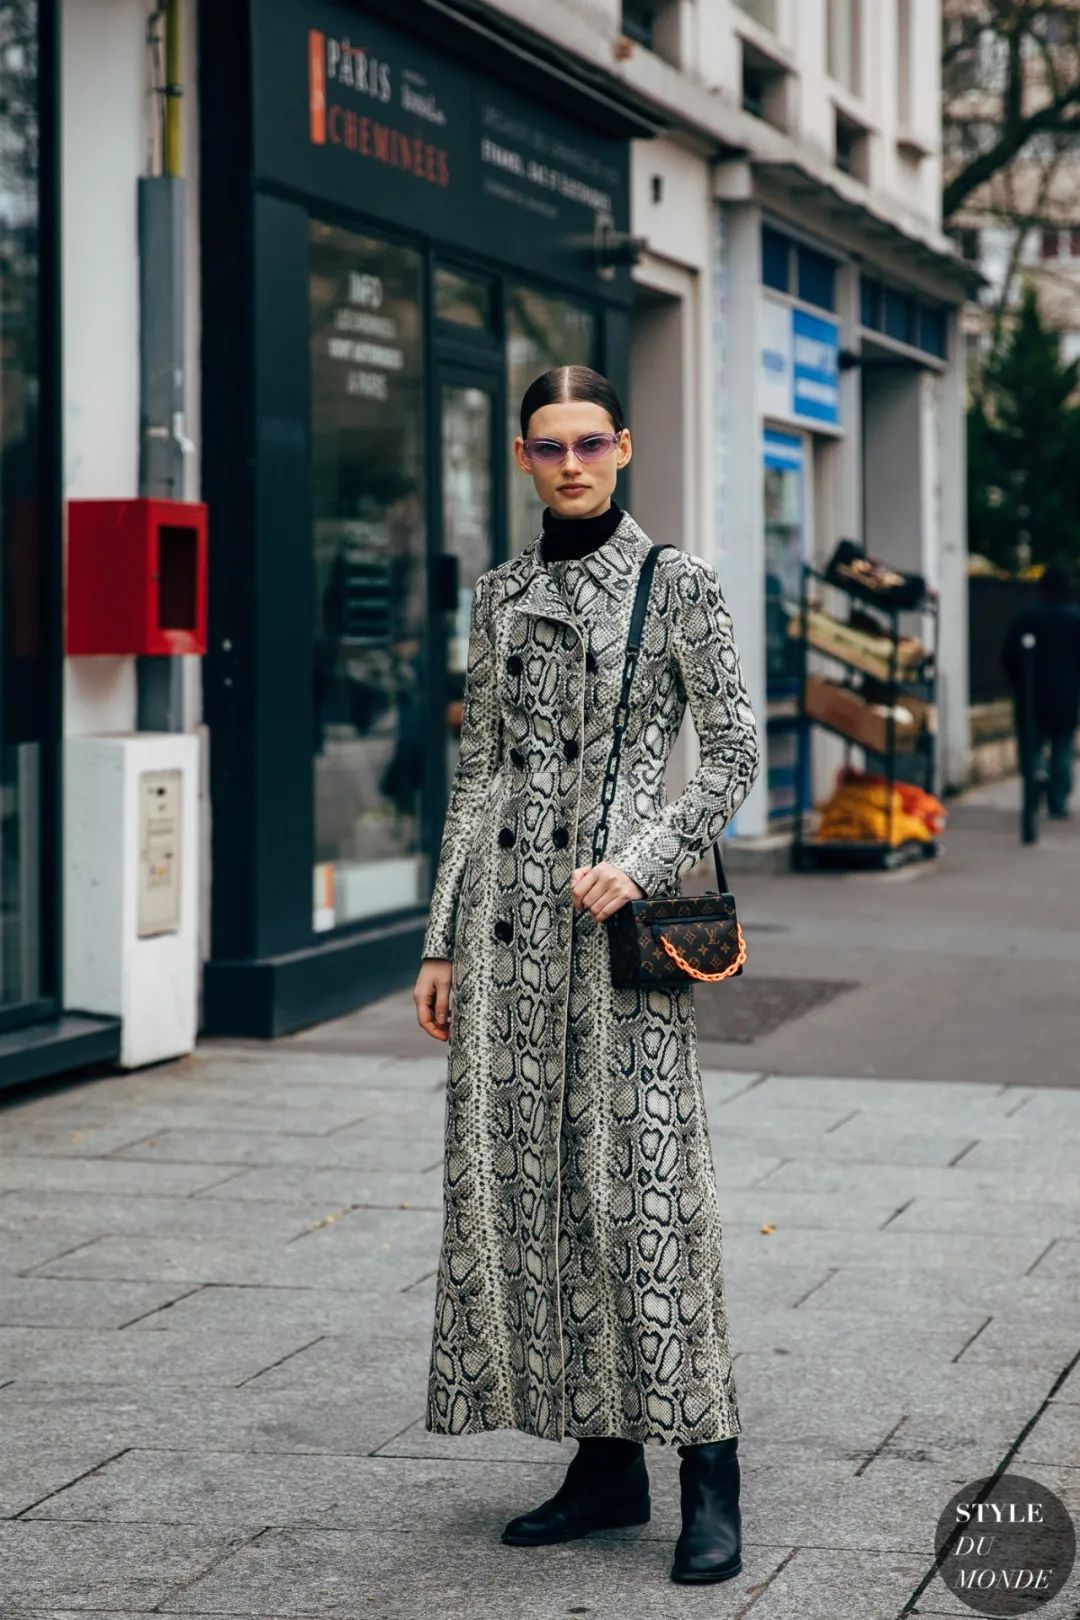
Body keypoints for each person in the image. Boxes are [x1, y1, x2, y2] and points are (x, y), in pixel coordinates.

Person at [413, 365, 761, 1585]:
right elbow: (479, 775)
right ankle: (603, 1463)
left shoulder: (681, 586)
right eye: (549, 446)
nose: (572, 464)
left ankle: (708, 1466)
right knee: (539, 1202)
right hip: (509, 948)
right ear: (521, 457)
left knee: (644, 1199)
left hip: (619, 943)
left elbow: (731, 755)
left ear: (624, 448)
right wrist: (442, 936)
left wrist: (643, 854)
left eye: (591, 443)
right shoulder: (501, 593)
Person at [1001, 564, 1080, 819]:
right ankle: (1057, 801)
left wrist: (1019, 684)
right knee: (1062, 748)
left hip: (1031, 694)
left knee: (1030, 746)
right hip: (1066, 697)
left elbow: (1008, 656)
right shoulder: (1075, 620)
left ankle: (1034, 787)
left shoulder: (1027, 619)